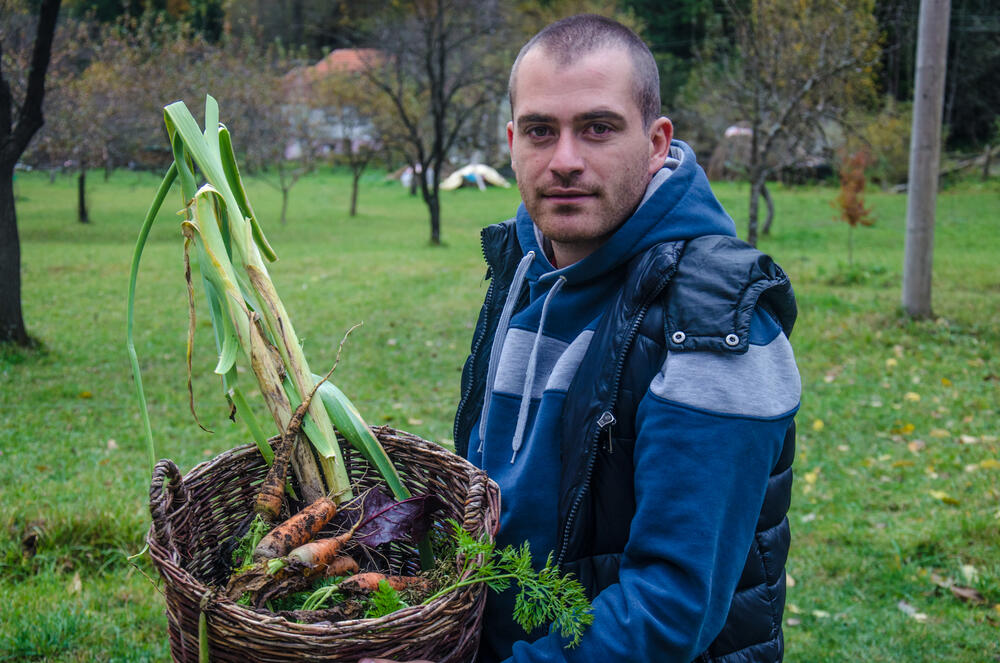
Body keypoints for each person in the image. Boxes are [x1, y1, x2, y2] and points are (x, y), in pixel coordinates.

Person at [364, 13, 800, 663]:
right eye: (541, 131)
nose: (564, 160)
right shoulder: (522, 265)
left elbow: (670, 605)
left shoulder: (712, 321)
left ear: (656, 142)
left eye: (598, 128)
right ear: (512, 141)